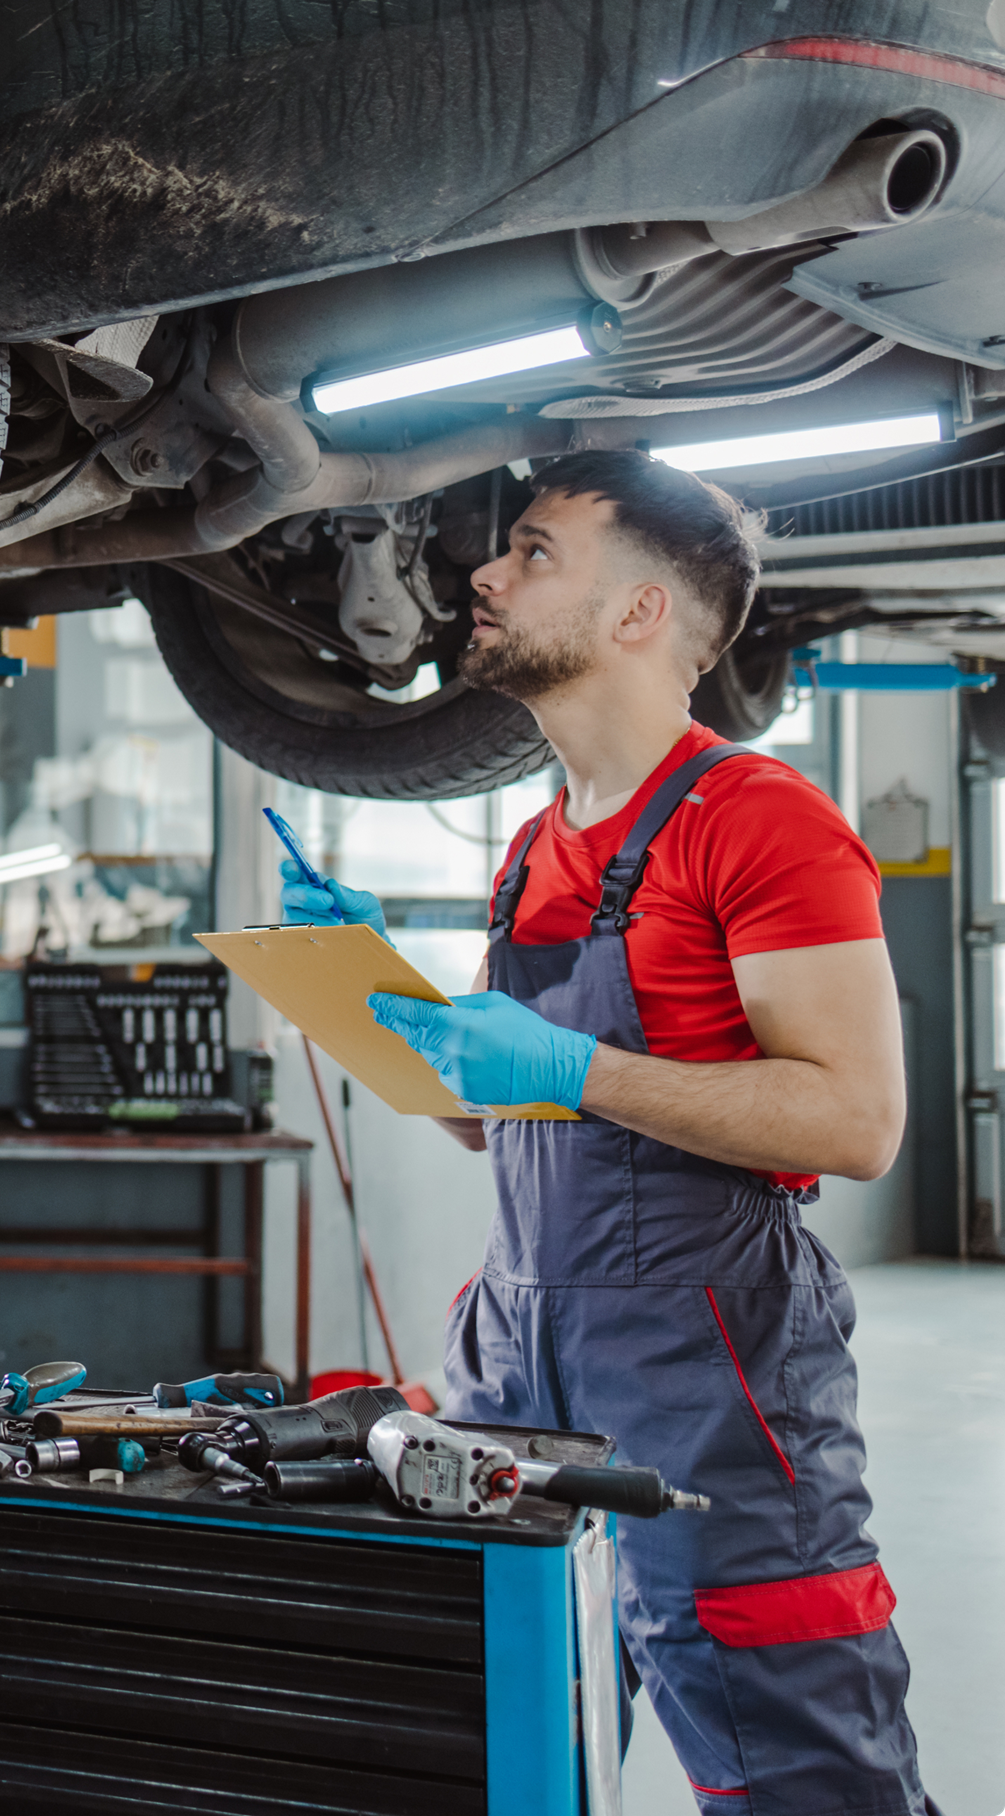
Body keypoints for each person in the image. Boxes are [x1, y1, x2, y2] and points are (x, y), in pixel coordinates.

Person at [285, 449, 936, 1816]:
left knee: (784, 1733)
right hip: (514, 1340)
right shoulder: (532, 845)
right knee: (507, 1719)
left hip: (706, 1361)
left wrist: (574, 1066)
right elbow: (501, 1123)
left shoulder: (762, 823)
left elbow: (857, 1118)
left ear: (642, 613)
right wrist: (377, 1003)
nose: (483, 572)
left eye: (532, 552)